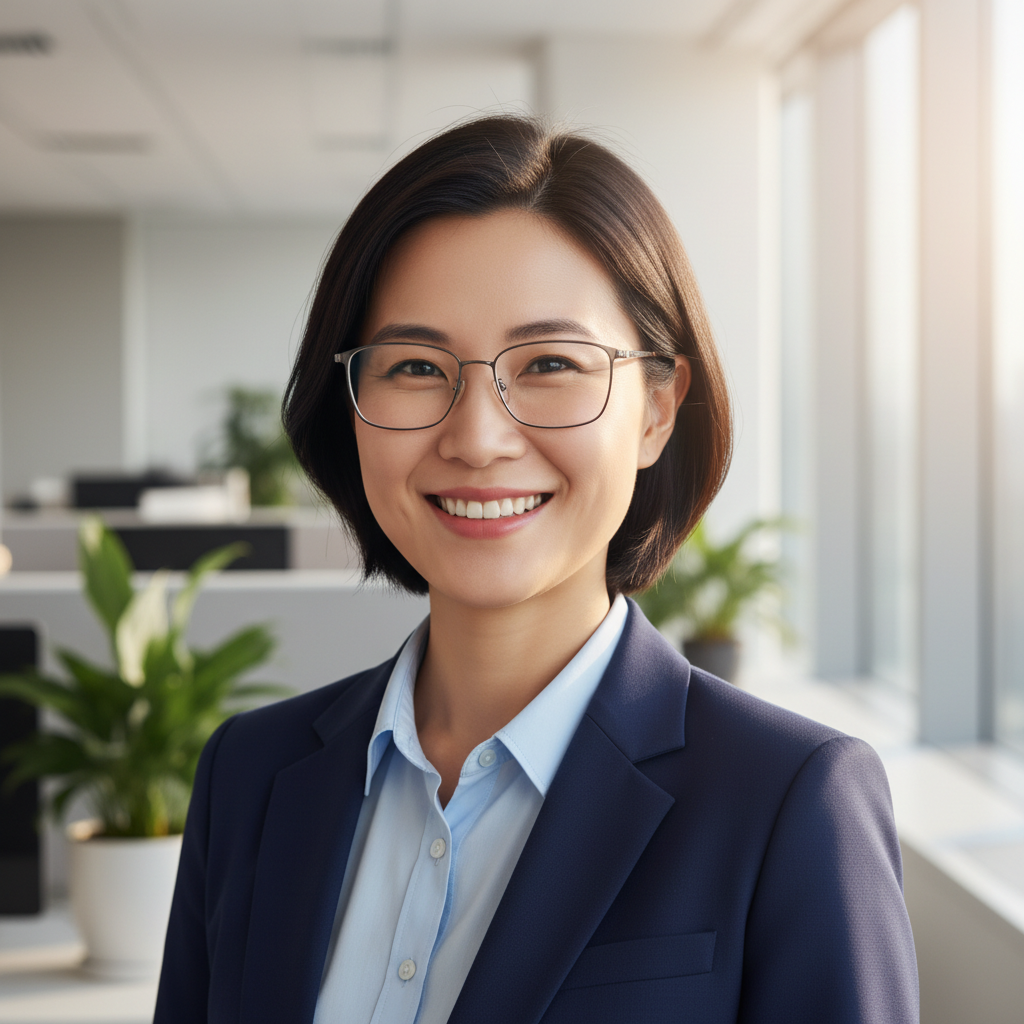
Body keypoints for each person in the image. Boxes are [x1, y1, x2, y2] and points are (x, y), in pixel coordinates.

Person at [154, 115, 919, 1024]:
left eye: (552, 362)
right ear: (351, 405)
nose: (476, 439)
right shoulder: (251, 775)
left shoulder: (790, 800)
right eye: (414, 366)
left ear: (656, 410)